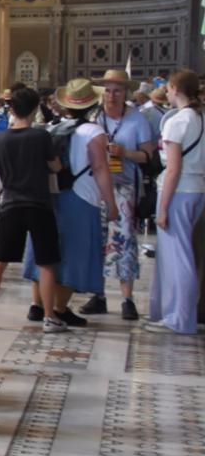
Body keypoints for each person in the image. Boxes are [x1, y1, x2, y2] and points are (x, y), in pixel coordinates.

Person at [0, 86, 65, 332]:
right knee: (45, 262)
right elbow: (55, 166)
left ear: (11, 109)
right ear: (35, 110)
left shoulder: (0, 138)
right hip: (39, 204)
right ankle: (48, 316)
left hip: (11, 203)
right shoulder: (41, 136)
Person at [30, 79, 117, 325]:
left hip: (51, 194)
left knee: (46, 249)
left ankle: (36, 304)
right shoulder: (94, 132)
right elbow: (100, 168)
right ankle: (59, 307)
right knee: (75, 252)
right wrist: (110, 203)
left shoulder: (50, 127)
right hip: (82, 196)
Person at [89, 68, 153, 321]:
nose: (111, 96)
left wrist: (125, 152)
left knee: (124, 240)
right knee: (98, 239)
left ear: (125, 92)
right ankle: (98, 295)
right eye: (107, 90)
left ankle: (127, 299)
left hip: (125, 186)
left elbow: (148, 155)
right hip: (97, 186)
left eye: (117, 90)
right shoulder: (95, 117)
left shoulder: (138, 119)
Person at [150, 70, 205, 333]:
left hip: (178, 191)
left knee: (178, 257)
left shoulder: (177, 122)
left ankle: (179, 319)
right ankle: (175, 313)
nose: (167, 95)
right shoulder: (200, 118)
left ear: (173, 88)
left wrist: (162, 208)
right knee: (183, 253)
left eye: (169, 90)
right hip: (197, 189)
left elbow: (173, 169)